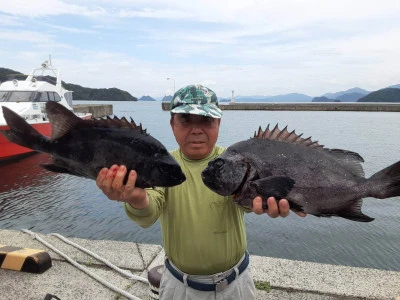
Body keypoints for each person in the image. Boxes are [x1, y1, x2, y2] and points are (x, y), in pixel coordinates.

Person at [96, 84, 305, 299]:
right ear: (172, 124)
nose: (196, 130)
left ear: (218, 123)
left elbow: (247, 202)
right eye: (186, 120)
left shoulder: (235, 161)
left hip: (236, 285)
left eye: (206, 120)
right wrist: (135, 196)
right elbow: (149, 211)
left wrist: (267, 199)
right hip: (179, 287)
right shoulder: (161, 165)